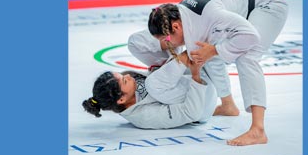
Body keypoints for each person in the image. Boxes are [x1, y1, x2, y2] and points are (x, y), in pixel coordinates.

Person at [147, 0, 290, 146]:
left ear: (176, 27)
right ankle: (228, 105)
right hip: (245, 2)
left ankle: (258, 130)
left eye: (166, 40)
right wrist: (211, 51)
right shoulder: (184, 15)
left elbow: (251, 36)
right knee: (205, 52)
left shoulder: (208, 15)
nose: (168, 45)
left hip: (268, 2)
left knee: (247, 56)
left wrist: (215, 50)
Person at [81, 50, 217, 129]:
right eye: (124, 80)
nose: (128, 76)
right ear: (121, 99)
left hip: (195, 79)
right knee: (153, 84)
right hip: (203, 101)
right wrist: (195, 75)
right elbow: (192, 112)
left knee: (135, 42)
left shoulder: (130, 84)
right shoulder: (144, 117)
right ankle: (189, 51)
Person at [128, 29, 241, 116]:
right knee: (135, 41)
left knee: (205, 50)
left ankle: (228, 103)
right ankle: (227, 103)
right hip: (191, 90)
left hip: (200, 93)